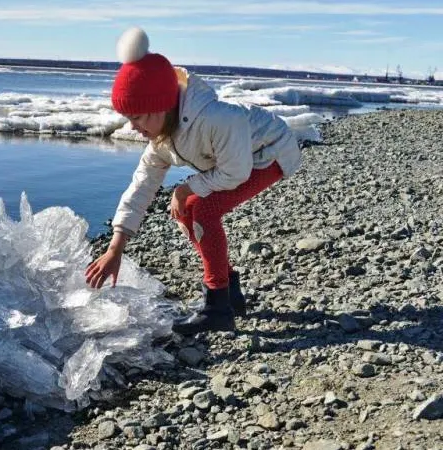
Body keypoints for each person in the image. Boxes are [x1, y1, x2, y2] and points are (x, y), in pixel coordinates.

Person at [84, 28, 302, 335]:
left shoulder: (216, 119)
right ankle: (228, 290)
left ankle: (217, 308)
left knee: (204, 208)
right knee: (187, 209)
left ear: (162, 106)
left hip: (270, 152)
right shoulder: (160, 139)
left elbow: (236, 173)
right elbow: (141, 187)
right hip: (238, 161)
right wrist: (115, 247)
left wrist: (187, 187)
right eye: (128, 118)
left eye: (139, 117)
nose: (132, 127)